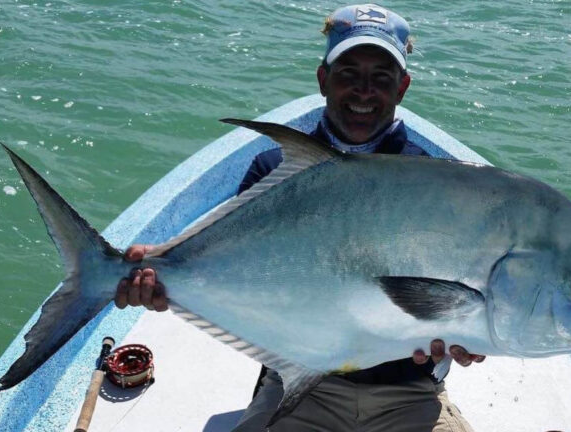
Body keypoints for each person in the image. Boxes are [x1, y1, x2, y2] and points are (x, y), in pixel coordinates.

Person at [115, 4, 484, 431]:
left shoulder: (438, 186)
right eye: (348, 73)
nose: (364, 91)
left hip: (410, 394)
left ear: (401, 87)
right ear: (323, 79)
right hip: (299, 384)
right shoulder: (272, 172)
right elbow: (245, 281)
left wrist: (468, 336)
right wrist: (164, 275)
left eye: (381, 78)